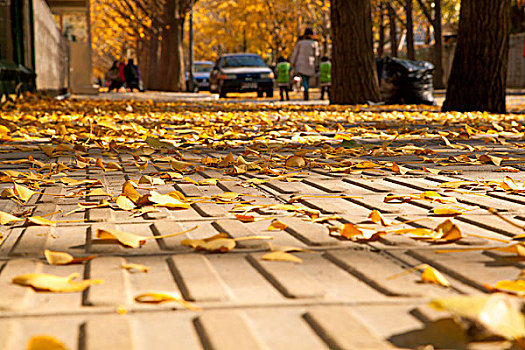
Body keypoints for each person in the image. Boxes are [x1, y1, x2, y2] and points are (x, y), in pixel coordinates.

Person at [290, 28, 319, 101]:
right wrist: (316, 64)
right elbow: (316, 55)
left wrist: (292, 62)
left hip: (301, 63)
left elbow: (295, 53)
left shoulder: (300, 43)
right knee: (307, 78)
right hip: (310, 63)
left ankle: (306, 90)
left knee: (304, 78)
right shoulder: (314, 43)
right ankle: (306, 89)